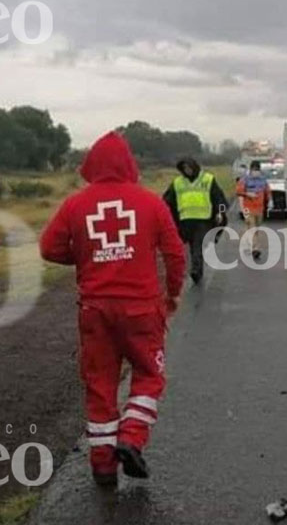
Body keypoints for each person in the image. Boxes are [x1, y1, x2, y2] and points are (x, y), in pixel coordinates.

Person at [40, 131, 186, 486]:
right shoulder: (151, 203)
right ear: (129, 164)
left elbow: (48, 248)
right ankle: (131, 437)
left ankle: (103, 465)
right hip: (141, 310)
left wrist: (84, 257)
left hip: (94, 311)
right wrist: (173, 294)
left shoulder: (75, 204)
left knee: (100, 384)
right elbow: (175, 254)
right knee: (150, 375)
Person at [163, 157, 228, 284]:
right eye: (185, 168)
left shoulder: (207, 179)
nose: (187, 171)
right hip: (185, 220)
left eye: (189, 168)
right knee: (186, 246)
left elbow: (219, 198)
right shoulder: (177, 183)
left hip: (203, 219)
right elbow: (167, 201)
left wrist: (220, 212)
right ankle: (189, 268)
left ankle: (196, 271)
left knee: (197, 245)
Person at [235, 160, 272, 260]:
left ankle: (250, 242)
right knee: (252, 227)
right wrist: (247, 194)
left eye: (257, 170)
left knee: (256, 228)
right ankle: (255, 249)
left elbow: (267, 192)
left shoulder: (263, 180)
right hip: (247, 208)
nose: (256, 172)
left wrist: (269, 202)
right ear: (250, 170)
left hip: (259, 208)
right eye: (254, 170)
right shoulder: (244, 180)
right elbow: (238, 191)